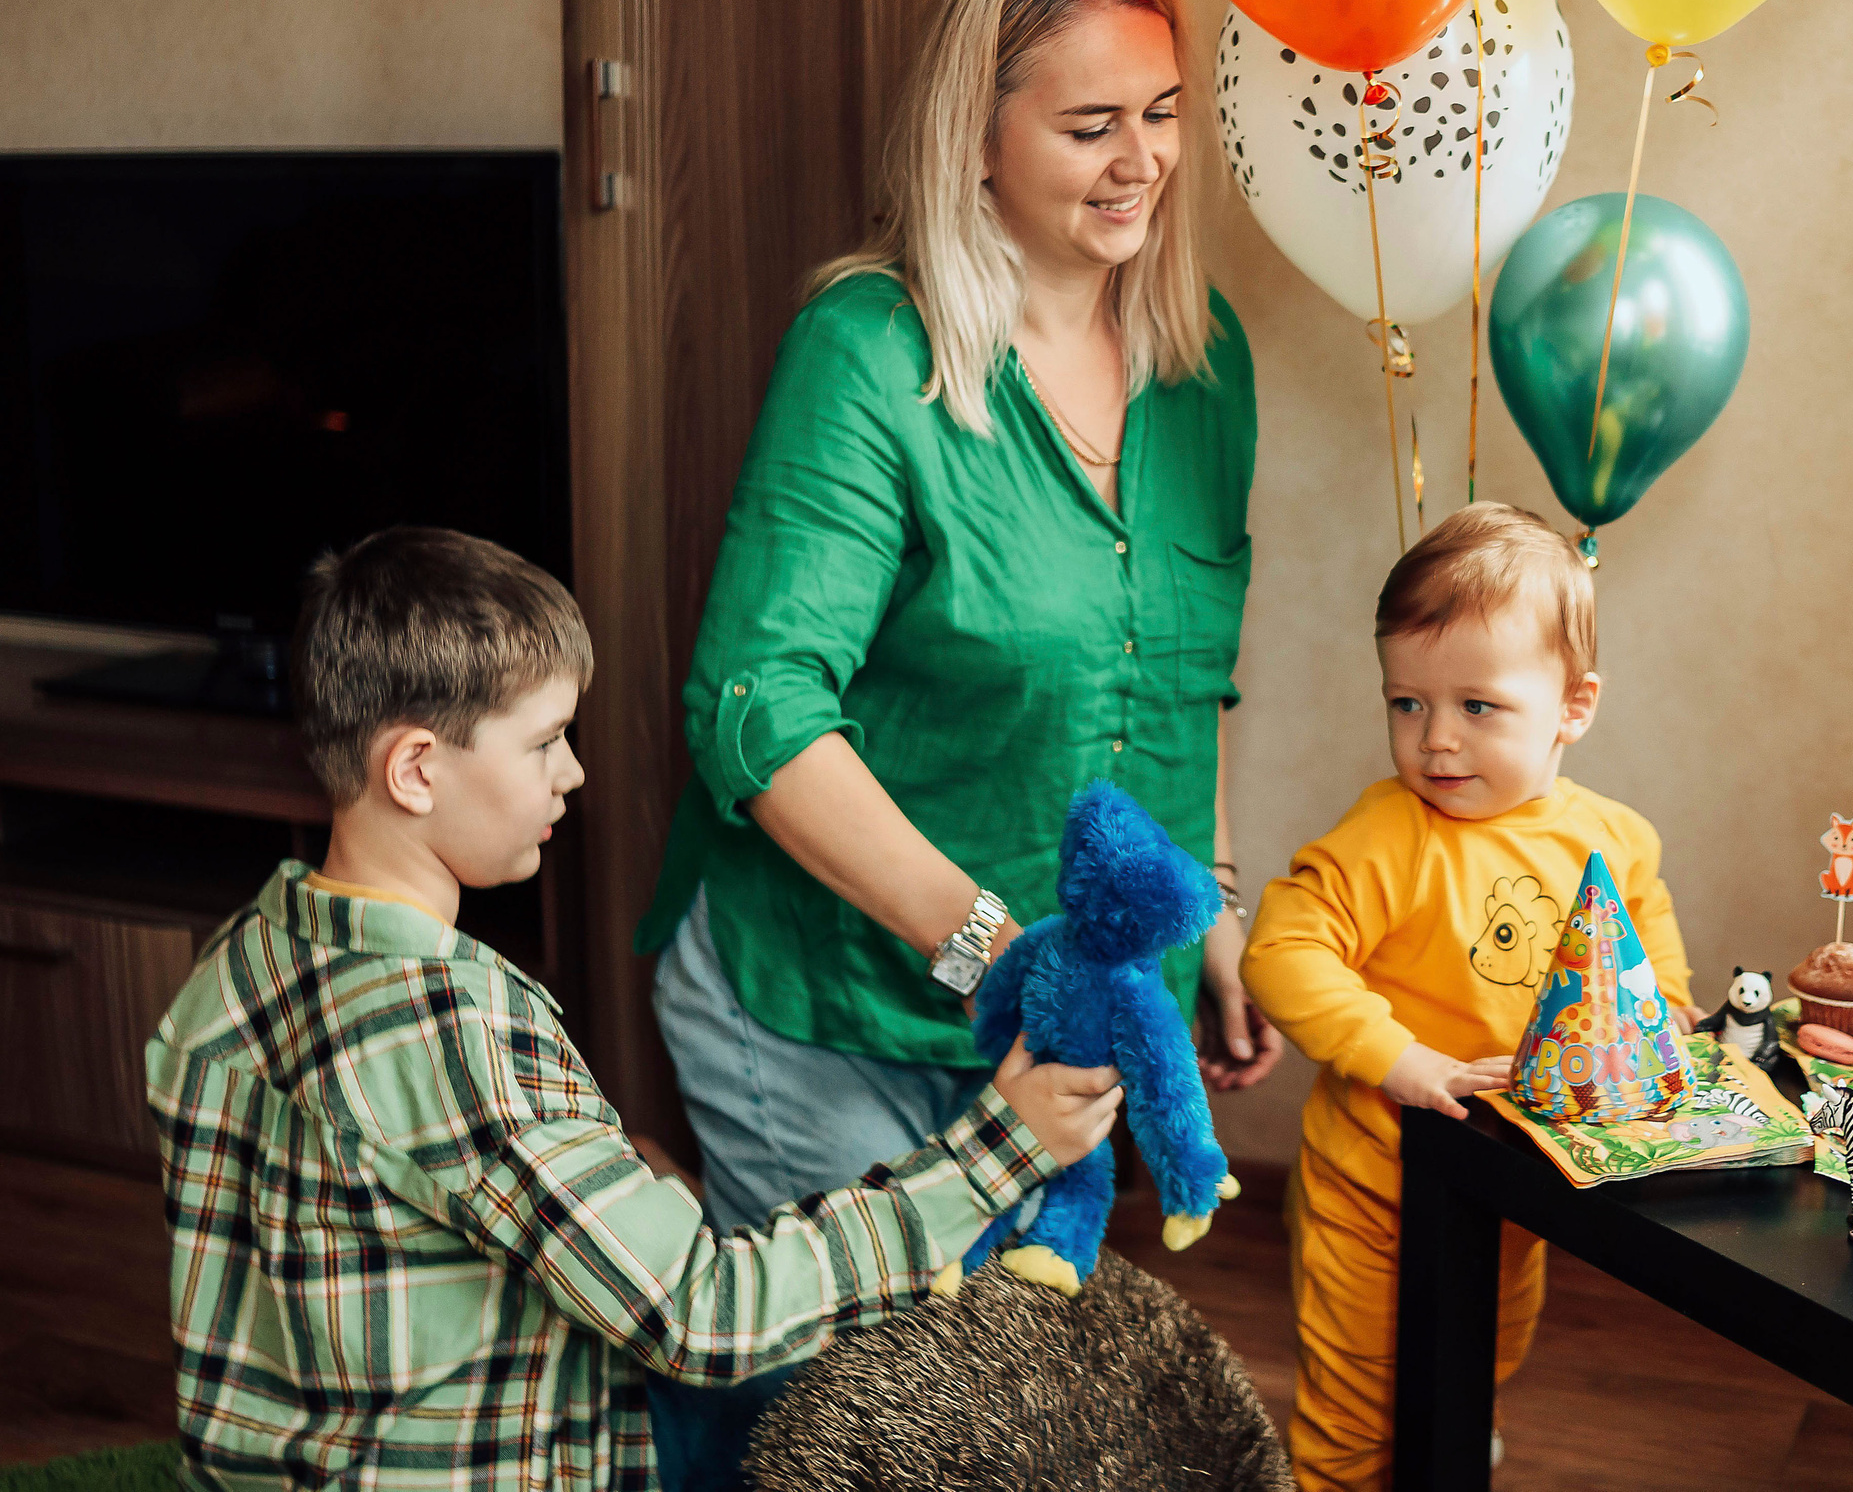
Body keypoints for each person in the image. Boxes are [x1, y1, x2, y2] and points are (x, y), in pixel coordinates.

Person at [146, 528, 1122, 1491]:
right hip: (516, 1460)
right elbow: (703, 1316)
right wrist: (1002, 1149)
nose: (570, 770)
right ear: (415, 768)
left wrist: (627, 1185)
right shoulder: (463, 1025)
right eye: (543, 741)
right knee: (853, 1385)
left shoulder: (232, 963)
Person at [636, 0, 1280, 1243]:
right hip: (834, 1007)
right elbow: (756, 710)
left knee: (1015, 1394)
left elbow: (1177, 681)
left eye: (1160, 113)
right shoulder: (869, 352)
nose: (1141, 161)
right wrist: (996, 951)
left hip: (1067, 1041)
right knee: (874, 1423)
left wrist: (1210, 915)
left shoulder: (1203, 357)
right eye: (1090, 122)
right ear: (975, 138)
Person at [1241, 503, 1702, 1492]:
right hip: (1376, 1182)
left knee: (1483, 1356)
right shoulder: (1390, 831)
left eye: (1475, 706)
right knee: (1354, 1400)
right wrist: (1401, 1059)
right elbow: (1280, 950)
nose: (1433, 740)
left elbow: (1641, 938)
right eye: (1405, 702)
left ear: (1573, 705)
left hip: (1510, 1182)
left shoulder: (1614, 839)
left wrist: (1662, 1009)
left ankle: (1445, 1437)